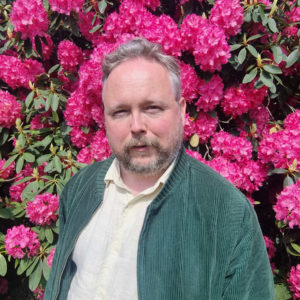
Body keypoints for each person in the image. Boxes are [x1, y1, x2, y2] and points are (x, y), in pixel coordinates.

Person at [44, 38, 274, 300]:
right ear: (105, 118)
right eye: (120, 112)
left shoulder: (227, 213)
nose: (137, 126)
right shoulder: (80, 187)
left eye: (152, 108)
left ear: (181, 110)